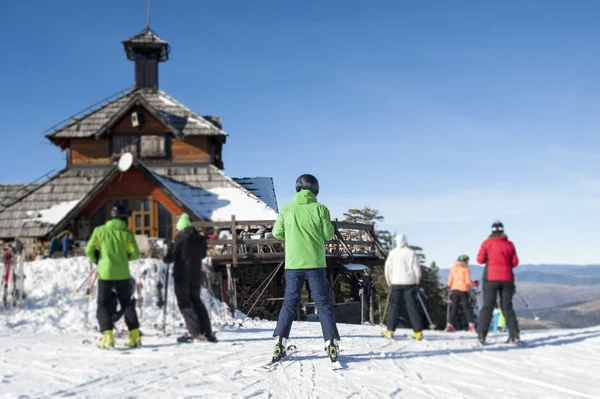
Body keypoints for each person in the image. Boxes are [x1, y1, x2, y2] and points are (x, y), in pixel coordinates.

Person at [271, 174, 341, 364]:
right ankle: (331, 342)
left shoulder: (286, 209)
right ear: (315, 190)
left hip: (294, 264)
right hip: (316, 264)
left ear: (298, 188)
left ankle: (279, 340)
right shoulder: (320, 209)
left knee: (290, 303)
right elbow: (327, 234)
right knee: (323, 303)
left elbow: (276, 233)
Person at [85, 205, 141, 349]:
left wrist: (97, 259)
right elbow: (134, 254)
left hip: (105, 273)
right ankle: (134, 335)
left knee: (103, 304)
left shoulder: (100, 231)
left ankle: (108, 336)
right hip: (122, 273)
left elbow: (89, 249)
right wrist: (123, 258)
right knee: (126, 303)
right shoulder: (127, 233)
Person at [164, 213, 216, 343]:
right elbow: (203, 255)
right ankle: (207, 332)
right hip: (195, 275)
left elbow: (169, 258)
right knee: (196, 302)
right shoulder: (200, 238)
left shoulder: (180, 238)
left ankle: (195, 332)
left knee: (185, 303)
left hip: (182, 275)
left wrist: (169, 249)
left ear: (181, 227)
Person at [476, 220, 520, 344]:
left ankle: (481, 335)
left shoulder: (487, 243)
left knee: (487, 307)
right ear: (503, 231)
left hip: (490, 277)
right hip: (507, 278)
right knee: (507, 307)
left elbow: (480, 260)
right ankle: (514, 335)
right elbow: (515, 262)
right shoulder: (510, 244)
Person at [384, 234, 424, 340]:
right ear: (405, 241)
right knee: (411, 306)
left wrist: (389, 281)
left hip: (396, 282)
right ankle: (418, 332)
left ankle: (390, 331)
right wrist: (416, 281)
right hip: (409, 282)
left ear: (397, 241)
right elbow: (416, 269)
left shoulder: (392, 253)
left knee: (394, 306)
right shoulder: (411, 253)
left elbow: (387, 268)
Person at [445, 254, 478, 332]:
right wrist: (474, 283)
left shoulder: (453, 269)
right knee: (467, 308)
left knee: (454, 308)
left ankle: (450, 325)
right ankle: (471, 325)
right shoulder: (465, 269)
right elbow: (468, 281)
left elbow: (450, 279)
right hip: (463, 290)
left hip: (454, 290)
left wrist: (449, 286)